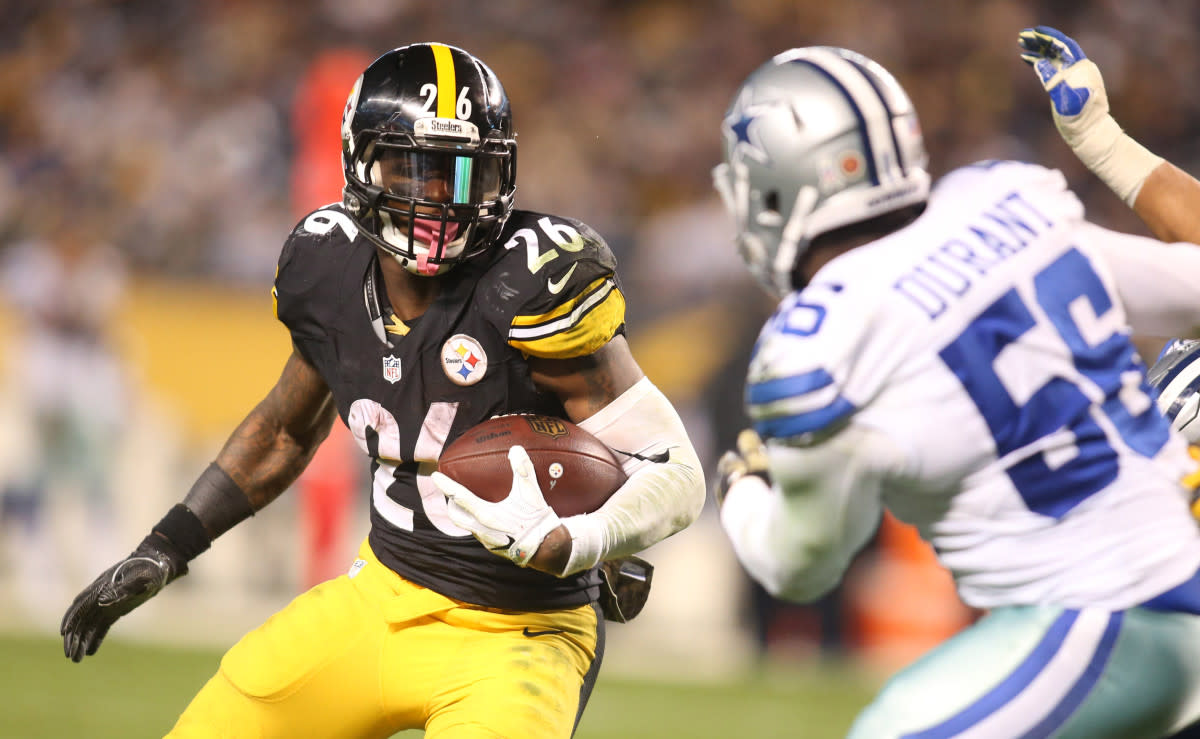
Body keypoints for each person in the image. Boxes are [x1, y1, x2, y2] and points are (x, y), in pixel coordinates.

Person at [60, 42, 706, 739]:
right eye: (414, 169)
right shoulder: (327, 267)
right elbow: (284, 430)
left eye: (463, 173)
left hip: (519, 631)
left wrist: (582, 539)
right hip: (382, 594)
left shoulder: (529, 283)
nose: (440, 197)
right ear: (361, 163)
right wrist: (168, 544)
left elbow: (677, 469)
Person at [710, 45, 1200, 738]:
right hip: (1170, 589)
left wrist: (743, 489)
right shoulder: (1004, 202)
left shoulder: (817, 340)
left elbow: (801, 566)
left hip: (1103, 613)